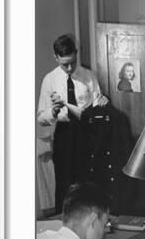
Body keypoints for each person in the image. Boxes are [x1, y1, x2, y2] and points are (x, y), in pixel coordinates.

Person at [37, 34, 109, 213]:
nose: (69, 68)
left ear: (76, 54)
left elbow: (96, 103)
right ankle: (63, 223)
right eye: (64, 64)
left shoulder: (88, 76)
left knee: (87, 179)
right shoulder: (50, 79)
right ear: (56, 58)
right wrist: (53, 112)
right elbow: (40, 117)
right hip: (64, 133)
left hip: (87, 132)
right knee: (64, 180)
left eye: (73, 62)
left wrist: (102, 103)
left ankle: (89, 219)